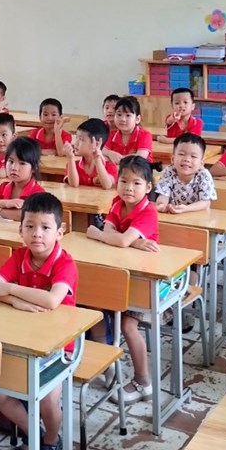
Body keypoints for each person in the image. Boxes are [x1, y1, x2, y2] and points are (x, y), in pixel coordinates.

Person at [0, 193, 77, 450]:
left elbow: (52, 300)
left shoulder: (65, 264)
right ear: (20, 229)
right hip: (24, 340)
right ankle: (34, 434)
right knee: (0, 396)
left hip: (59, 346)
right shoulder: (19, 257)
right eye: (30, 226)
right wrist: (17, 302)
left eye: (45, 227)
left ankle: (51, 439)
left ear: (60, 232)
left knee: (48, 399)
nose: (37, 234)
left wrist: (11, 290)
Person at [87, 156, 161, 403]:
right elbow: (113, 234)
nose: (129, 187)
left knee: (128, 325)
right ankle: (107, 366)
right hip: (117, 272)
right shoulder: (117, 203)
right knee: (95, 310)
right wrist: (132, 242)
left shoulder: (148, 212)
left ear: (148, 187)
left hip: (143, 281)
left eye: (136, 183)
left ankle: (143, 382)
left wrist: (99, 235)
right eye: (124, 181)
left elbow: (117, 239)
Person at [0, 136, 44, 221]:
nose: (14, 167)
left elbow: (27, 215)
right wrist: (6, 203)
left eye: (22, 163)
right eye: (11, 161)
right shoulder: (4, 186)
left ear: (34, 167)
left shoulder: (38, 193)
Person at [154, 133, 217, 214]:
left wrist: (186, 209)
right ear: (173, 159)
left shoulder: (203, 175)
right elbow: (163, 195)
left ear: (201, 163)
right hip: (174, 216)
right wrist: (162, 204)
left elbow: (205, 202)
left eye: (193, 156)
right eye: (181, 154)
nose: (187, 159)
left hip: (199, 217)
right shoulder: (169, 172)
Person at [63, 118, 117, 190]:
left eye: (81, 139)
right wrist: (70, 158)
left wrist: (97, 160)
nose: (76, 143)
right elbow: (74, 184)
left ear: (96, 144)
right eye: (76, 138)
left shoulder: (110, 166)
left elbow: (107, 185)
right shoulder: (73, 164)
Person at [103, 96, 153, 163]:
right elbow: (102, 151)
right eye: (119, 114)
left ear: (137, 119)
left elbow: (140, 157)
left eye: (128, 115)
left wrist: (118, 159)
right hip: (119, 169)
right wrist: (110, 153)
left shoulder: (145, 135)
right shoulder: (111, 134)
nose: (122, 119)